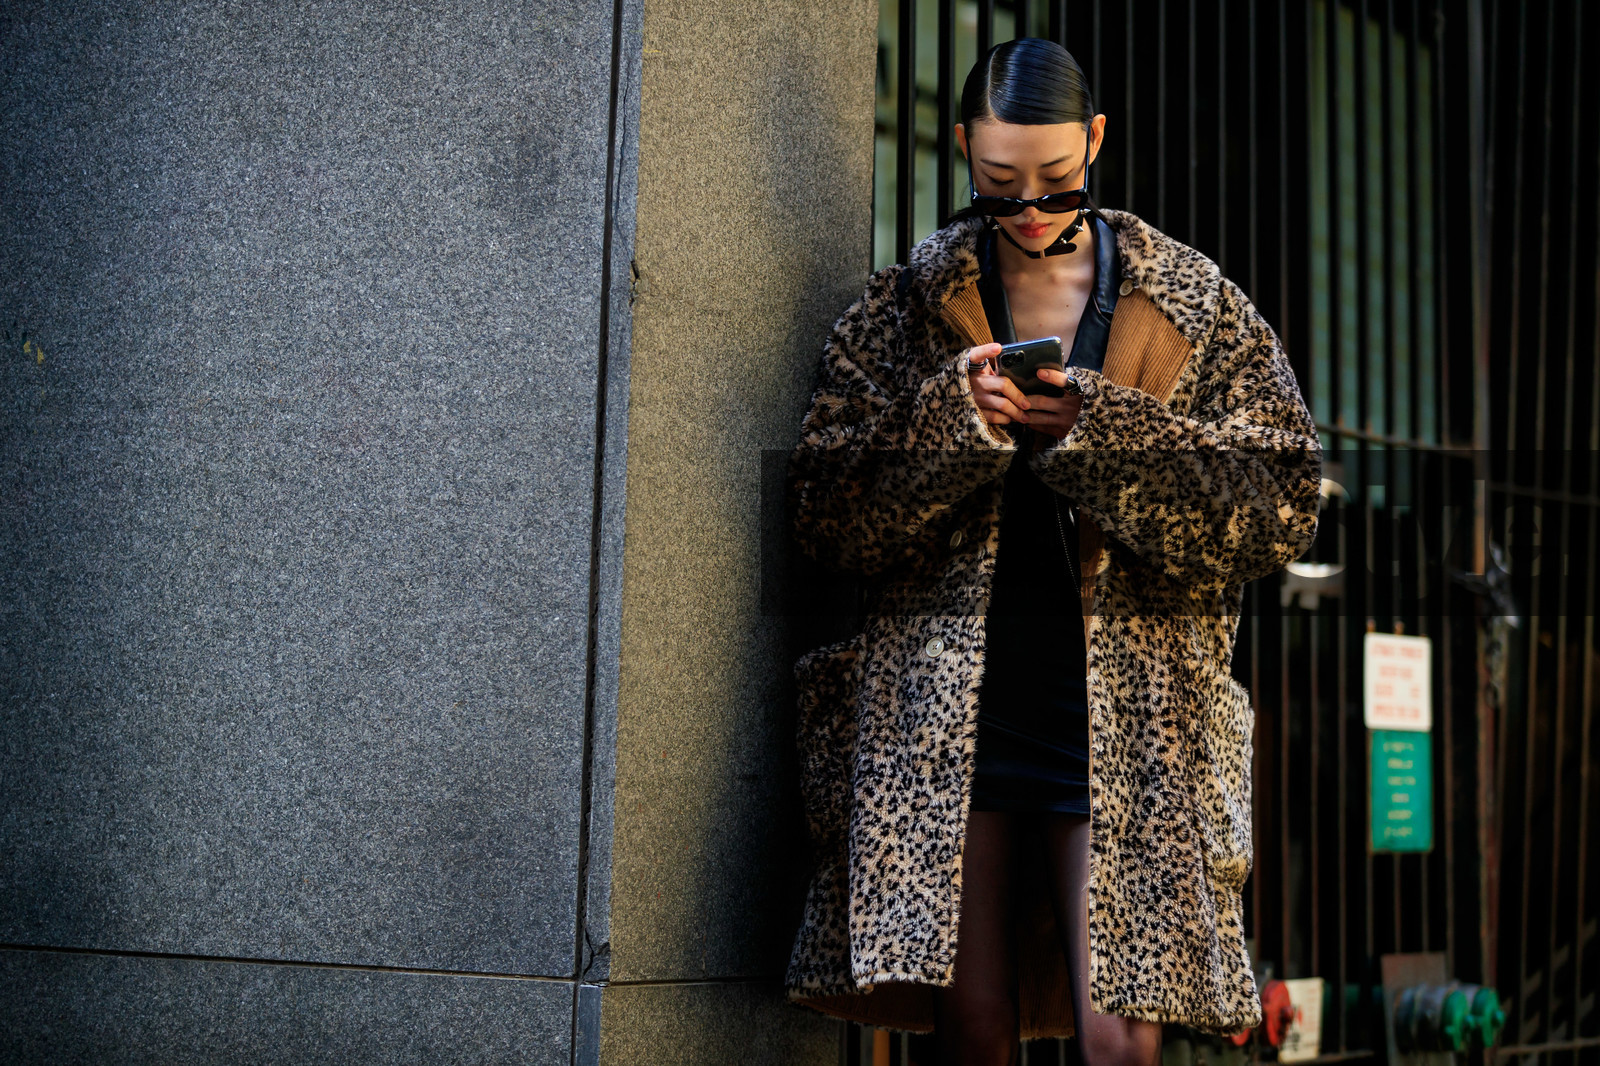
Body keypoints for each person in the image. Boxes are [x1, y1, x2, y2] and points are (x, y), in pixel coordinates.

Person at [783, 37, 1323, 1066]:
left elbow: (1281, 504)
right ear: (961, 151)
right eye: (997, 185)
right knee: (970, 1030)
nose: (1027, 210)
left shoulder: (1190, 304)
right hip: (947, 724)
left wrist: (1102, 433)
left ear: (1096, 142)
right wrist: (955, 423)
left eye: (1056, 183)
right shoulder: (902, 310)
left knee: (1120, 1040)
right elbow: (824, 513)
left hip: (1130, 720)